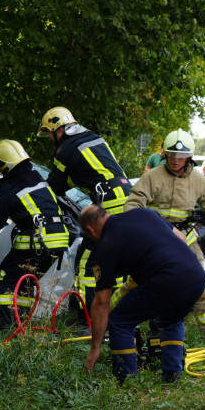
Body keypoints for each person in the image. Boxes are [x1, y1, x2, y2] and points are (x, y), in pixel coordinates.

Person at [123, 129, 205, 344]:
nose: (175, 160)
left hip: (186, 240)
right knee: (136, 283)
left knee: (200, 283)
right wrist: (147, 225)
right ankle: (113, 318)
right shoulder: (152, 177)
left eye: (180, 156)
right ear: (165, 154)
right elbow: (132, 204)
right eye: (171, 155)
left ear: (189, 158)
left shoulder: (197, 179)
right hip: (155, 239)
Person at [80, 204, 205, 384]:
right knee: (171, 319)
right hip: (196, 276)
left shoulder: (106, 247)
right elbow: (181, 238)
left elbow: (101, 302)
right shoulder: (143, 213)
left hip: (167, 279)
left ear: (91, 230)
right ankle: (172, 374)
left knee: (119, 321)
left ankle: (127, 380)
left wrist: (95, 347)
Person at [38, 106, 133, 308]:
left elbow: (55, 185)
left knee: (87, 263)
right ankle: (114, 316)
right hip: (129, 198)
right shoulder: (92, 138)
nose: (51, 139)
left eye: (50, 133)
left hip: (110, 203)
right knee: (114, 262)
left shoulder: (65, 149)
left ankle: (87, 319)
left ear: (59, 129)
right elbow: (87, 174)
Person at [0, 140, 71, 329]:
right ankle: (21, 329)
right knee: (24, 285)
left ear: (3, 165)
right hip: (57, 241)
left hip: (37, 243)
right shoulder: (36, 178)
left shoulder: (9, 187)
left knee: (3, 281)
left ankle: (4, 331)